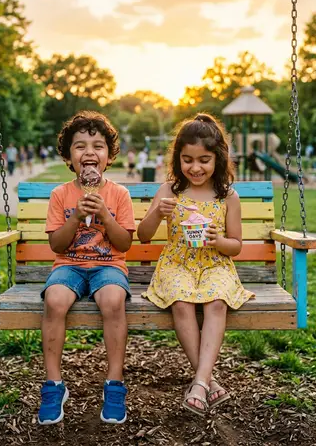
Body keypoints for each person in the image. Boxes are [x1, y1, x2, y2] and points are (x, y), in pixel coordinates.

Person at [137, 113, 254, 416]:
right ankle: (208, 382)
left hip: (215, 264)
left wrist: (218, 241)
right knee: (181, 301)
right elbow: (144, 236)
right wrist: (156, 214)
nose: (195, 167)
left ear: (218, 159)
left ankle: (200, 382)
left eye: (204, 160)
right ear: (178, 160)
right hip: (176, 263)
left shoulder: (227, 196)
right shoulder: (169, 191)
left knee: (217, 302)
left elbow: (236, 246)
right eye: (188, 159)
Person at [38, 111, 136, 425]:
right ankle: (54, 385)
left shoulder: (119, 195)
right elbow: (57, 246)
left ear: (108, 157)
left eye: (98, 146)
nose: (89, 152)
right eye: (80, 146)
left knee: (112, 300)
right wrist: (76, 217)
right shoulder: (61, 195)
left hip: (109, 265)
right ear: (69, 157)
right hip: (70, 264)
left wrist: (106, 216)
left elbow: (123, 244)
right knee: (54, 300)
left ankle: (114, 383)